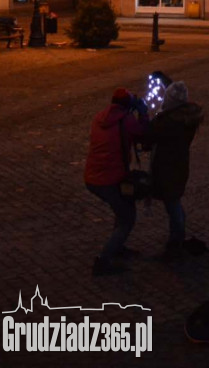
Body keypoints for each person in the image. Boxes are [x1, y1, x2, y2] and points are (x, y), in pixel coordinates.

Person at [84, 88, 149, 276]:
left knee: (121, 208)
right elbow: (143, 133)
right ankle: (103, 260)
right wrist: (143, 113)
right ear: (127, 106)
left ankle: (118, 247)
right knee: (128, 218)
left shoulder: (100, 117)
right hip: (110, 178)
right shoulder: (126, 120)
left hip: (93, 176)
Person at [143, 81, 204, 261]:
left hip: (166, 167)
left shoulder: (167, 122)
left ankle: (175, 244)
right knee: (174, 202)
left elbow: (149, 136)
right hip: (179, 165)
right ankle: (176, 240)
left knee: (173, 204)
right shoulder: (186, 119)